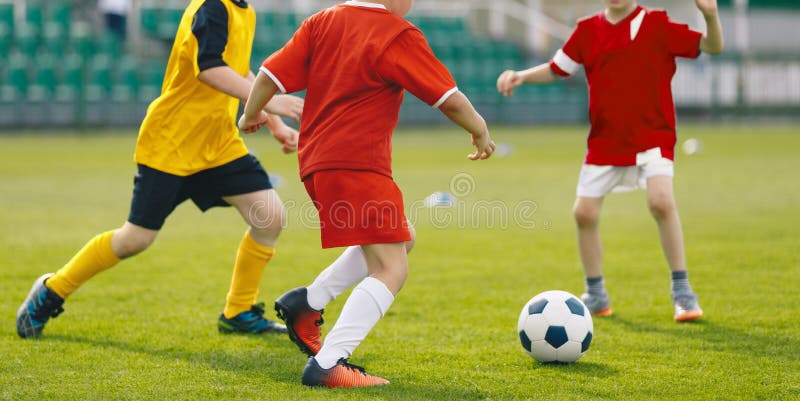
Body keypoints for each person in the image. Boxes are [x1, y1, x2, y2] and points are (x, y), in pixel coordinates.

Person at [240, 0, 495, 387]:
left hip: (316, 163)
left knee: (402, 237)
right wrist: (479, 129)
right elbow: (449, 98)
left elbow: (268, 75)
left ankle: (307, 302)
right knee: (392, 268)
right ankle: (329, 363)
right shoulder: (396, 33)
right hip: (357, 165)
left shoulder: (321, 21)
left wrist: (250, 114)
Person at [16, 0, 305, 339]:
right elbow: (209, 68)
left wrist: (273, 124)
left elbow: (238, 70)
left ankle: (238, 310)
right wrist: (272, 101)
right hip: (172, 143)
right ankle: (52, 289)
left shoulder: (245, 11)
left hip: (218, 143)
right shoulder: (212, 6)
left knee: (269, 216)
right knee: (135, 239)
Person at [497, 0, 724, 322]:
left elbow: (711, 47)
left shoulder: (657, 24)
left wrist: (710, 15)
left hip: (653, 136)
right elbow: (558, 67)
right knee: (584, 213)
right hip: (606, 142)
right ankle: (596, 294)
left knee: (660, 202)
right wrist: (521, 76)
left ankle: (683, 292)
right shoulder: (587, 30)